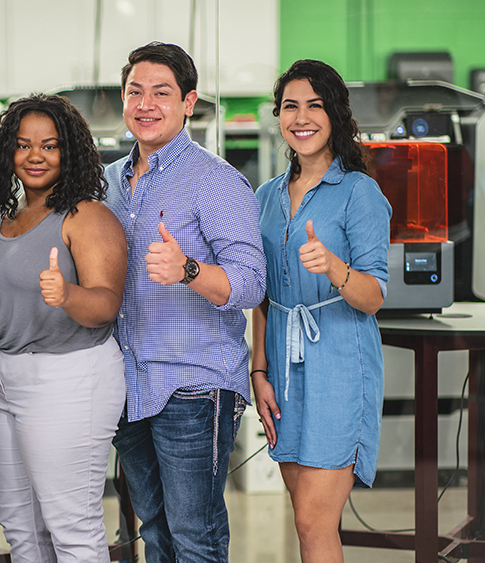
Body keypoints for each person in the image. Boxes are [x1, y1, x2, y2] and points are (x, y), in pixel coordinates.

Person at [104, 42, 267, 562]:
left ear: (189, 101)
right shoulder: (106, 182)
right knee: (154, 531)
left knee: (195, 538)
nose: (146, 104)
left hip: (192, 387)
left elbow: (250, 283)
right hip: (127, 383)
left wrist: (189, 270)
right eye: (135, 92)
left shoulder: (214, 180)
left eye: (162, 93)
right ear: (122, 98)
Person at [0, 94, 126, 562]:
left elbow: (106, 305)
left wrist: (68, 294)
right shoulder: (5, 214)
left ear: (70, 152)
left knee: (72, 529)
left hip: (69, 378)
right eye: (22, 145)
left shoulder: (87, 215)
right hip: (5, 382)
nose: (35, 155)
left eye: (50, 145)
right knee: (20, 531)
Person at [251, 59, 390, 563]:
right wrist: (259, 371)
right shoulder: (265, 197)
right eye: (291, 106)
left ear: (336, 115)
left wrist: (334, 267)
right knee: (304, 518)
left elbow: (374, 296)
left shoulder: (360, 193)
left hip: (339, 366)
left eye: (315, 105)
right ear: (279, 116)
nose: (301, 117)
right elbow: (263, 294)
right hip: (283, 373)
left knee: (314, 521)